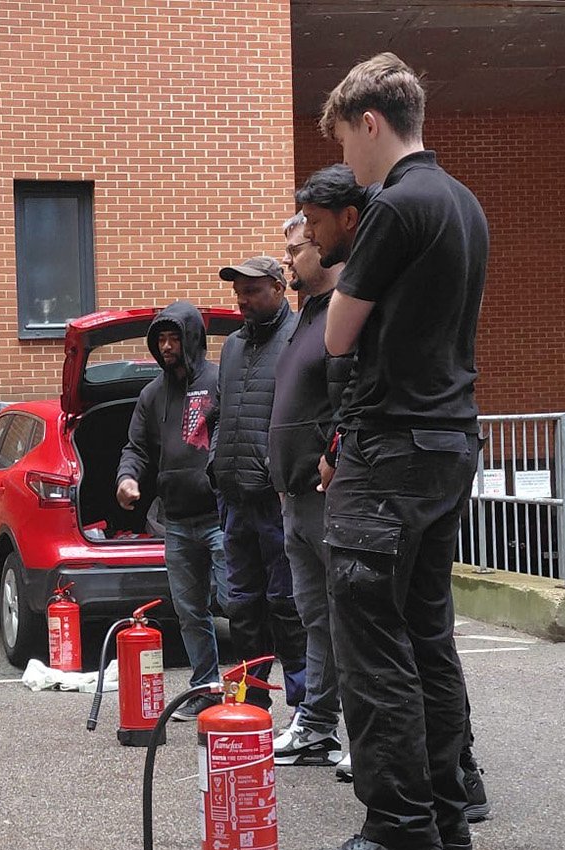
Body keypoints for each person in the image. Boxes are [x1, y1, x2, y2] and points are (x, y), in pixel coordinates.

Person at [306, 53, 488, 850]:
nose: (348, 160)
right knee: (426, 636)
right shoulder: (464, 202)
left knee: (370, 640)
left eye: (347, 139)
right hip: (449, 442)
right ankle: (446, 820)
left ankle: (399, 834)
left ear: (371, 122)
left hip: (388, 452)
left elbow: (336, 335)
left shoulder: (393, 205)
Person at [267, 169, 364, 767]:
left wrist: (331, 457)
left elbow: (350, 397)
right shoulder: (304, 316)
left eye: (295, 248)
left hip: (328, 493)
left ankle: (366, 736)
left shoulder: (342, 313)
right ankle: (318, 725)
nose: (288, 260)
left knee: (349, 617)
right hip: (293, 498)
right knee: (315, 618)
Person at [115, 301, 228, 721]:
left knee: (236, 602)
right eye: (160, 339)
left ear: (192, 339)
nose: (166, 347)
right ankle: (205, 690)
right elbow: (136, 448)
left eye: (173, 339)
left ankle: (249, 692)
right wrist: (127, 478)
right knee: (190, 612)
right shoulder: (152, 395)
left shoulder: (219, 381)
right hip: (177, 522)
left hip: (220, 517)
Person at [212, 256, 308, 712]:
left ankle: (306, 709)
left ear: (278, 288)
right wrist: (215, 462)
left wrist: (280, 470)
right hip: (235, 498)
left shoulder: (297, 335)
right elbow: (219, 413)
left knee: (287, 604)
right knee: (243, 606)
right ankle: (251, 702)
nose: (242, 300)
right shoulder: (232, 347)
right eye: (238, 293)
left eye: (251, 291)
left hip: (277, 499)